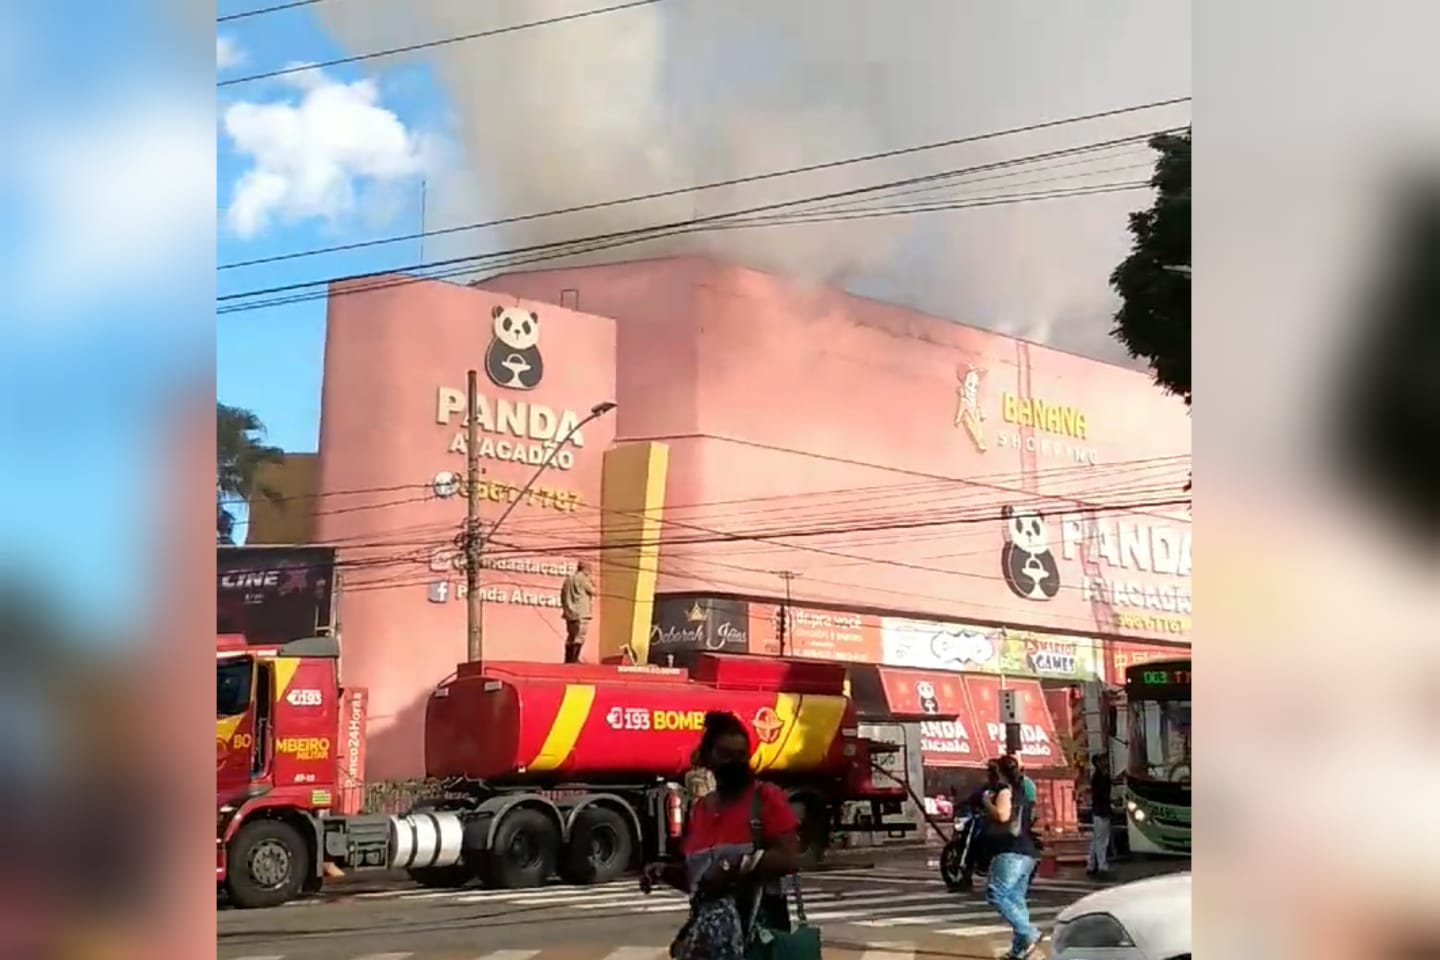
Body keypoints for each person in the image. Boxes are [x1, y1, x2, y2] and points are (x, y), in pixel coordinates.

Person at [641, 712, 802, 960]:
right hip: (712, 940)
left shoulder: (766, 798)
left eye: (741, 755)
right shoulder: (701, 810)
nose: (735, 763)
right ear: (708, 758)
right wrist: (663, 872)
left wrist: (735, 867)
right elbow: (697, 881)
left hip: (760, 938)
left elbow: (789, 857)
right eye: (725, 755)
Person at [981, 754, 1043, 959]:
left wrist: (986, 803)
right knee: (1016, 899)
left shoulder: (1004, 790)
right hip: (1027, 852)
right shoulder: (1022, 789)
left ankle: (1028, 933)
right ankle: (1019, 950)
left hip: (1011, 850)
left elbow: (1003, 815)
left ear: (999, 772)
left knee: (996, 893)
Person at [559, 561, 596, 663]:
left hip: (569, 613)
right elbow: (594, 591)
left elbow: (562, 595)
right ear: (586, 569)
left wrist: (566, 608)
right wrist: (593, 582)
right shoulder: (583, 579)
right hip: (581, 612)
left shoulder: (568, 579)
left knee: (570, 636)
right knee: (579, 636)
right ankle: (574, 659)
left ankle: (568, 659)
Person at [1087, 753, 1114, 880]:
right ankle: (1102, 866)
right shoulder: (1099, 777)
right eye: (1102, 760)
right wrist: (1111, 801)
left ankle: (1091, 864)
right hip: (1101, 811)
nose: (1105, 762)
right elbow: (1100, 794)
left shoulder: (1101, 776)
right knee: (1102, 840)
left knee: (1096, 839)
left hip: (1099, 810)